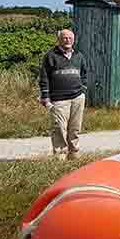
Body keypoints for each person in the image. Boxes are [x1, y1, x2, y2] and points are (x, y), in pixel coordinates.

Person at [38, 28, 87, 159]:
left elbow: (84, 74)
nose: (68, 40)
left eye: (70, 38)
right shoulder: (51, 55)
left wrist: (83, 88)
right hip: (59, 99)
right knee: (59, 128)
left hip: (77, 97)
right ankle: (60, 156)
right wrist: (45, 98)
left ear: (74, 40)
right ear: (59, 39)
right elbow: (44, 78)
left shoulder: (79, 56)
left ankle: (74, 153)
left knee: (75, 128)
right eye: (65, 38)